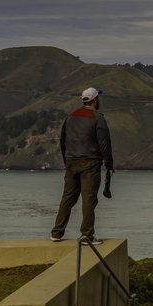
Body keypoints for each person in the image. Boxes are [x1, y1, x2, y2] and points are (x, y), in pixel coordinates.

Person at [50, 86, 114, 244]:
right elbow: (104, 144)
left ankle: (56, 233)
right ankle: (87, 236)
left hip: (71, 162)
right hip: (90, 163)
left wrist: (67, 162)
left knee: (67, 198)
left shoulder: (70, 117)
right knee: (89, 199)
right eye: (98, 98)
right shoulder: (98, 118)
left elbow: (62, 142)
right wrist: (109, 165)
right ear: (95, 100)